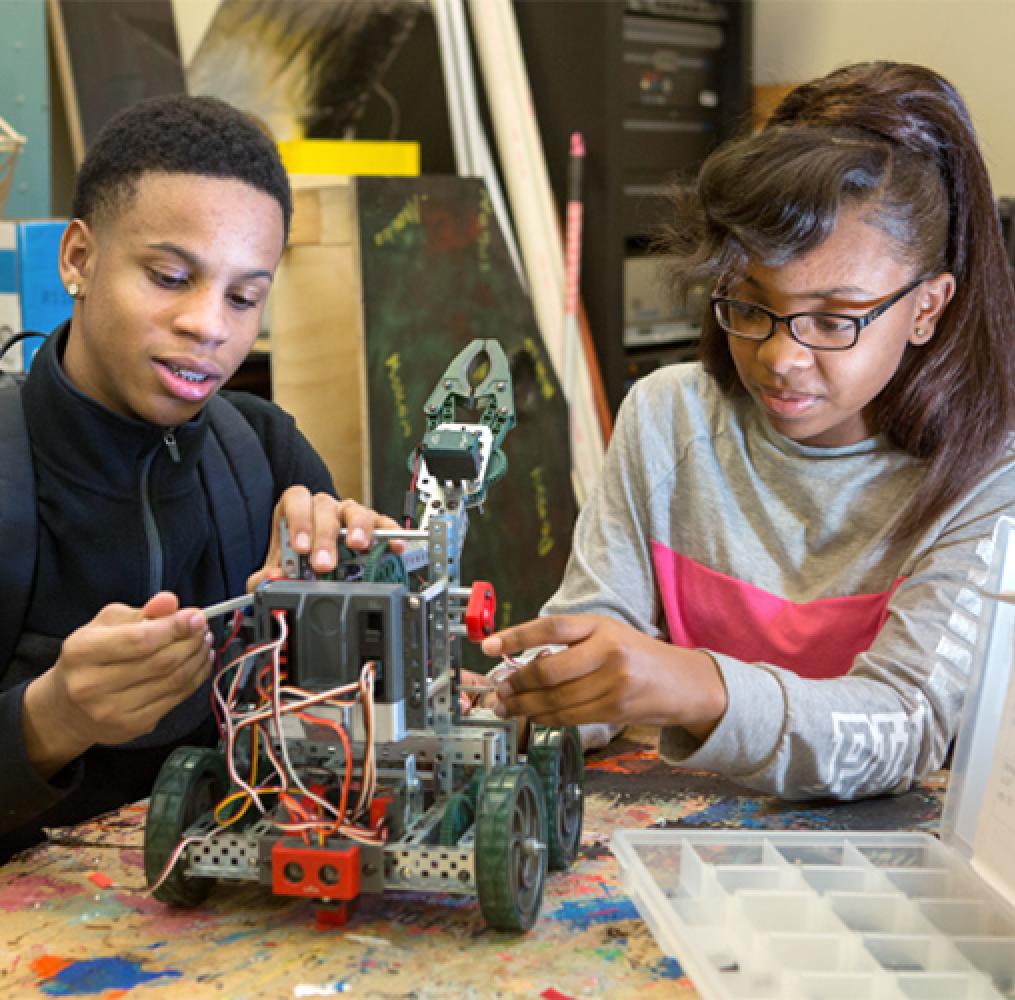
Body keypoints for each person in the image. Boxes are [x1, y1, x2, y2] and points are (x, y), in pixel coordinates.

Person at [481, 61, 1015, 801]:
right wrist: (528, 699)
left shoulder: (989, 477)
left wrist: (700, 687)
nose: (780, 356)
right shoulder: (669, 415)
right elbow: (596, 622)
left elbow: (903, 726)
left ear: (927, 306)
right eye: (748, 302)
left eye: (833, 319)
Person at [0, 95, 401, 860]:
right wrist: (49, 719)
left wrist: (357, 584)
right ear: (79, 259)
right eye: (170, 276)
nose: (209, 325)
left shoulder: (264, 451)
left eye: (244, 296)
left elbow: (343, 732)